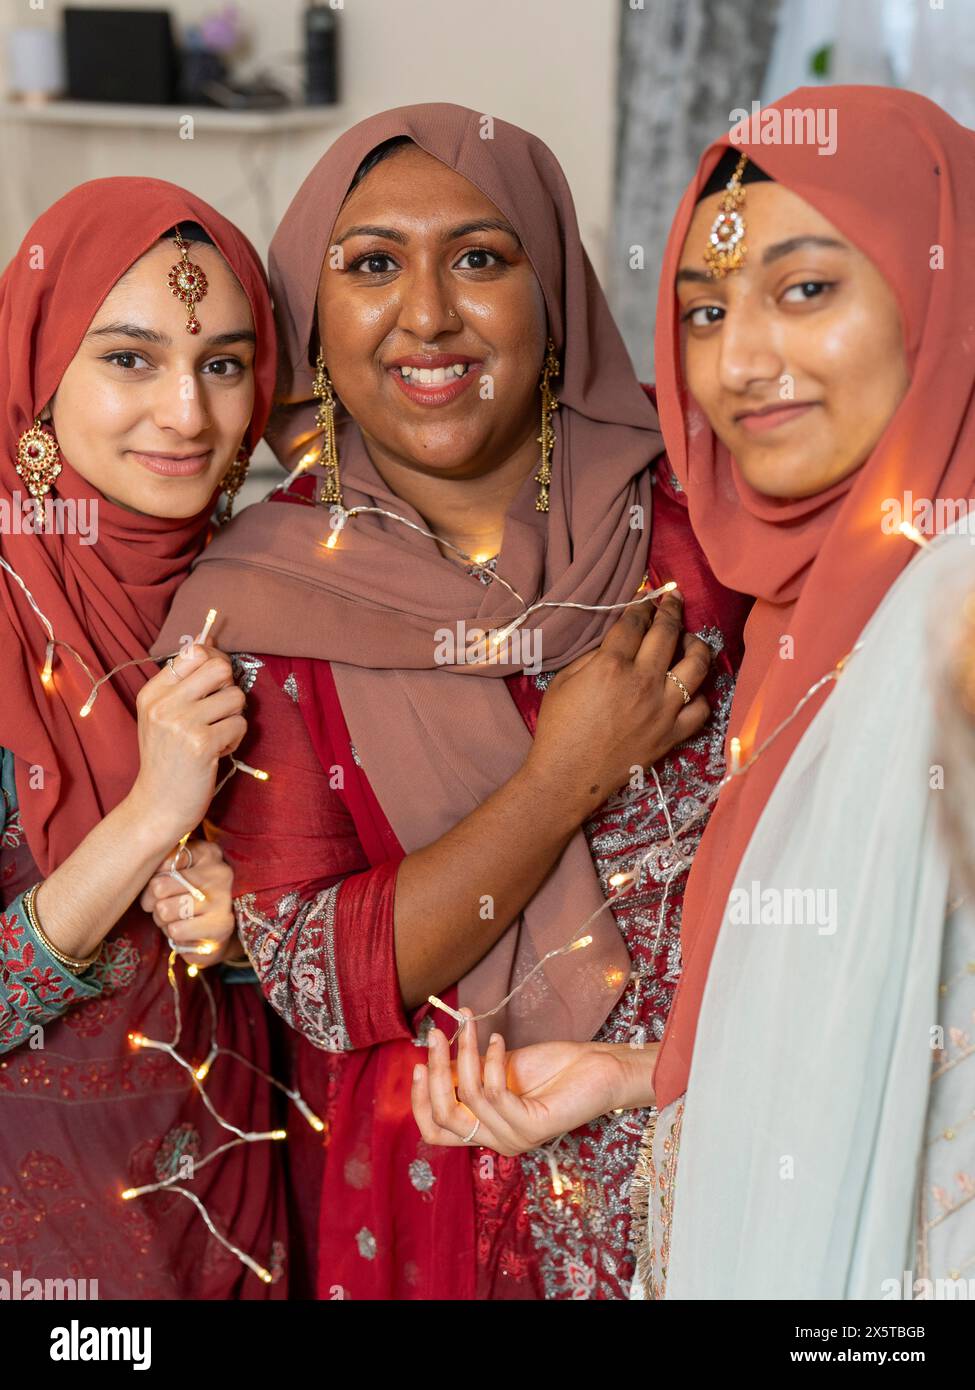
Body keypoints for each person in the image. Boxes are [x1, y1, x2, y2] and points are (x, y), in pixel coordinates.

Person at [155, 103, 750, 1300]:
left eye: (481, 257)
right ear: (315, 326)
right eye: (371, 264)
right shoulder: (265, 600)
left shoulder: (708, 523)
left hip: (730, 1136)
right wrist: (563, 778)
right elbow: (319, 973)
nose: (428, 313)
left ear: (557, 297)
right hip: (448, 1189)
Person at [421, 86, 975, 1302]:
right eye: (707, 311)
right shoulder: (806, 612)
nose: (742, 362)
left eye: (808, 288)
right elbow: (874, 1028)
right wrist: (646, 1075)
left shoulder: (956, 618)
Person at [0, 178, 288, 1297]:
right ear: (38, 369)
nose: (186, 413)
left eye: (221, 362)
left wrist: (250, 921)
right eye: (128, 358)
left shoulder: (277, 589)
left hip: (235, 1203)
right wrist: (153, 816)